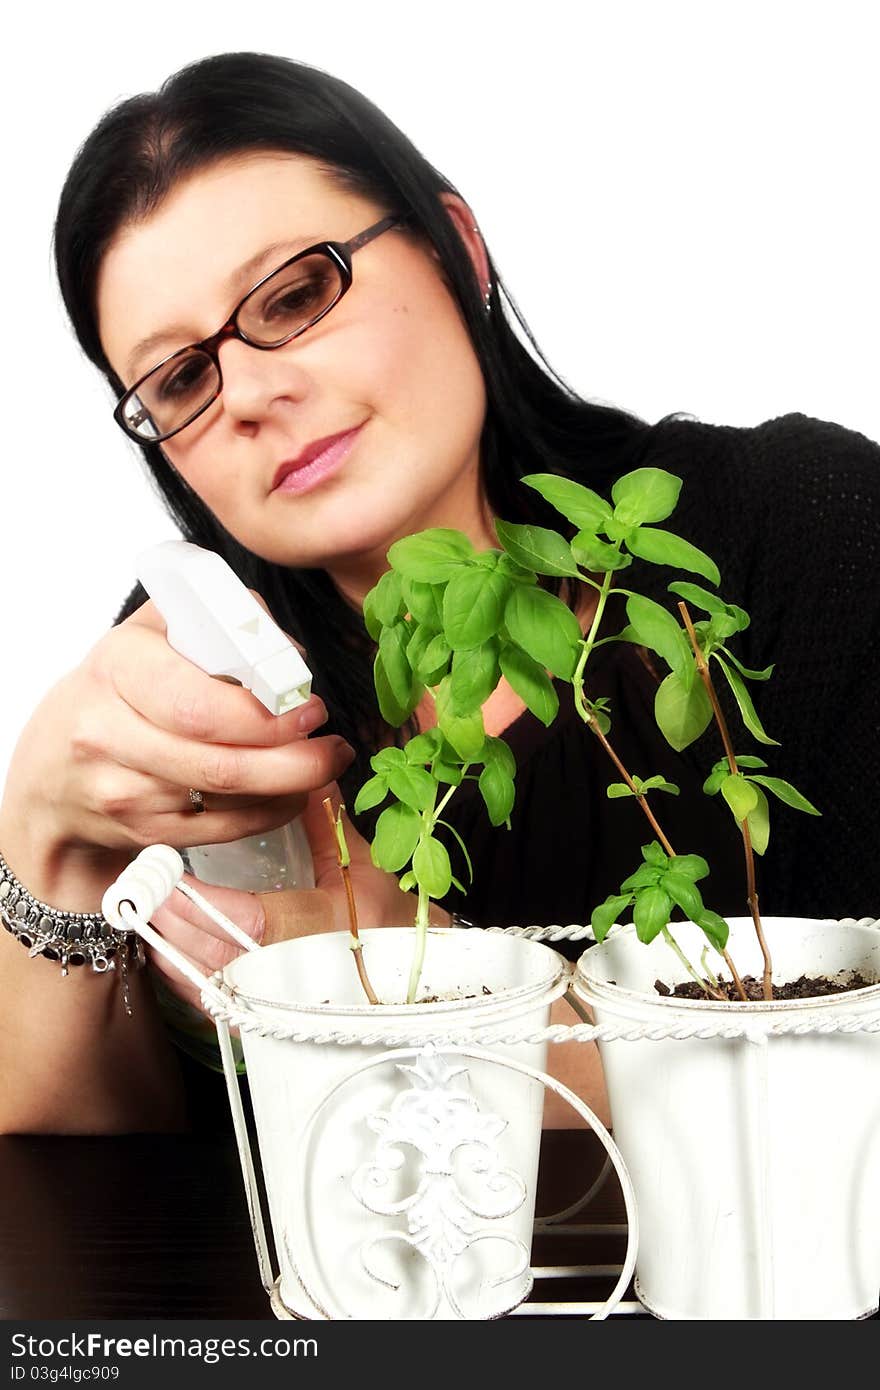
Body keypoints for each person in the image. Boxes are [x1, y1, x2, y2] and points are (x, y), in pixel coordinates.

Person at [0, 51, 877, 1136]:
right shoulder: (190, 678)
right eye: (180, 378)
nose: (254, 394)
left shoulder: (803, 526)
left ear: (457, 251)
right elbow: (88, 1174)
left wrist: (396, 981)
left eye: (296, 293)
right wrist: (43, 836)